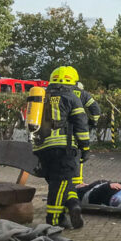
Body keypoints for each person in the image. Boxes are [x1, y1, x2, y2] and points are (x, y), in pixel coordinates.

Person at [33, 66, 90, 229]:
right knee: (59, 184)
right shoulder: (71, 97)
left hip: (42, 148)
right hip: (63, 148)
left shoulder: (42, 95)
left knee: (62, 181)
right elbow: (81, 125)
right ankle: (54, 219)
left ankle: (73, 204)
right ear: (73, 81)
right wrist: (85, 148)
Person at [71, 82, 100, 185]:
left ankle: (62, 184)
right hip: (78, 130)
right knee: (79, 154)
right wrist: (92, 122)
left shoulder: (56, 92)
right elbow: (95, 109)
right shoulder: (83, 94)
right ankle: (77, 184)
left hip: (57, 133)